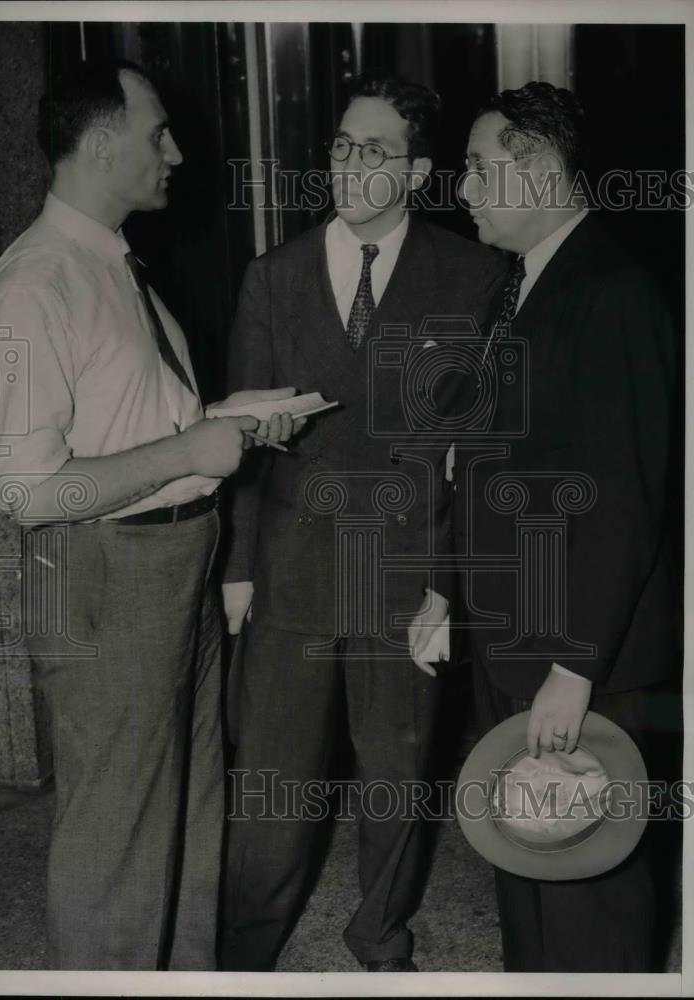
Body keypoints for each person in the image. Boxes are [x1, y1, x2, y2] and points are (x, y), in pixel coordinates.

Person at [0, 60, 302, 971]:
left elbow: (140, 423)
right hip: (102, 572)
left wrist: (223, 419)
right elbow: (27, 489)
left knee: (190, 809)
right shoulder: (34, 284)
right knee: (117, 824)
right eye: (158, 132)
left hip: (174, 561)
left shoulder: (116, 264)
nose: (178, 151)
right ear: (99, 144)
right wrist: (185, 454)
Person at [219, 74, 506, 972]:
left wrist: (449, 587)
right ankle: (243, 950)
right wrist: (236, 570)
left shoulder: (475, 277)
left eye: (372, 151)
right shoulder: (273, 276)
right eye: (342, 146)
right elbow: (238, 441)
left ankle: (379, 935)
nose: (348, 165)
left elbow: (480, 451)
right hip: (293, 563)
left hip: (407, 566)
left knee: (398, 775)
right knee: (273, 782)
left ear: (417, 170)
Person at [412, 81, 680, 971]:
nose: (465, 188)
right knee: (524, 850)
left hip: (577, 653)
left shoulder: (615, 294)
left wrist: (574, 666)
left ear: (538, 169)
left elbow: (624, 502)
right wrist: (448, 590)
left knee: (591, 875)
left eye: (481, 168)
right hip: (507, 635)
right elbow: (474, 461)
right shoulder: (515, 289)